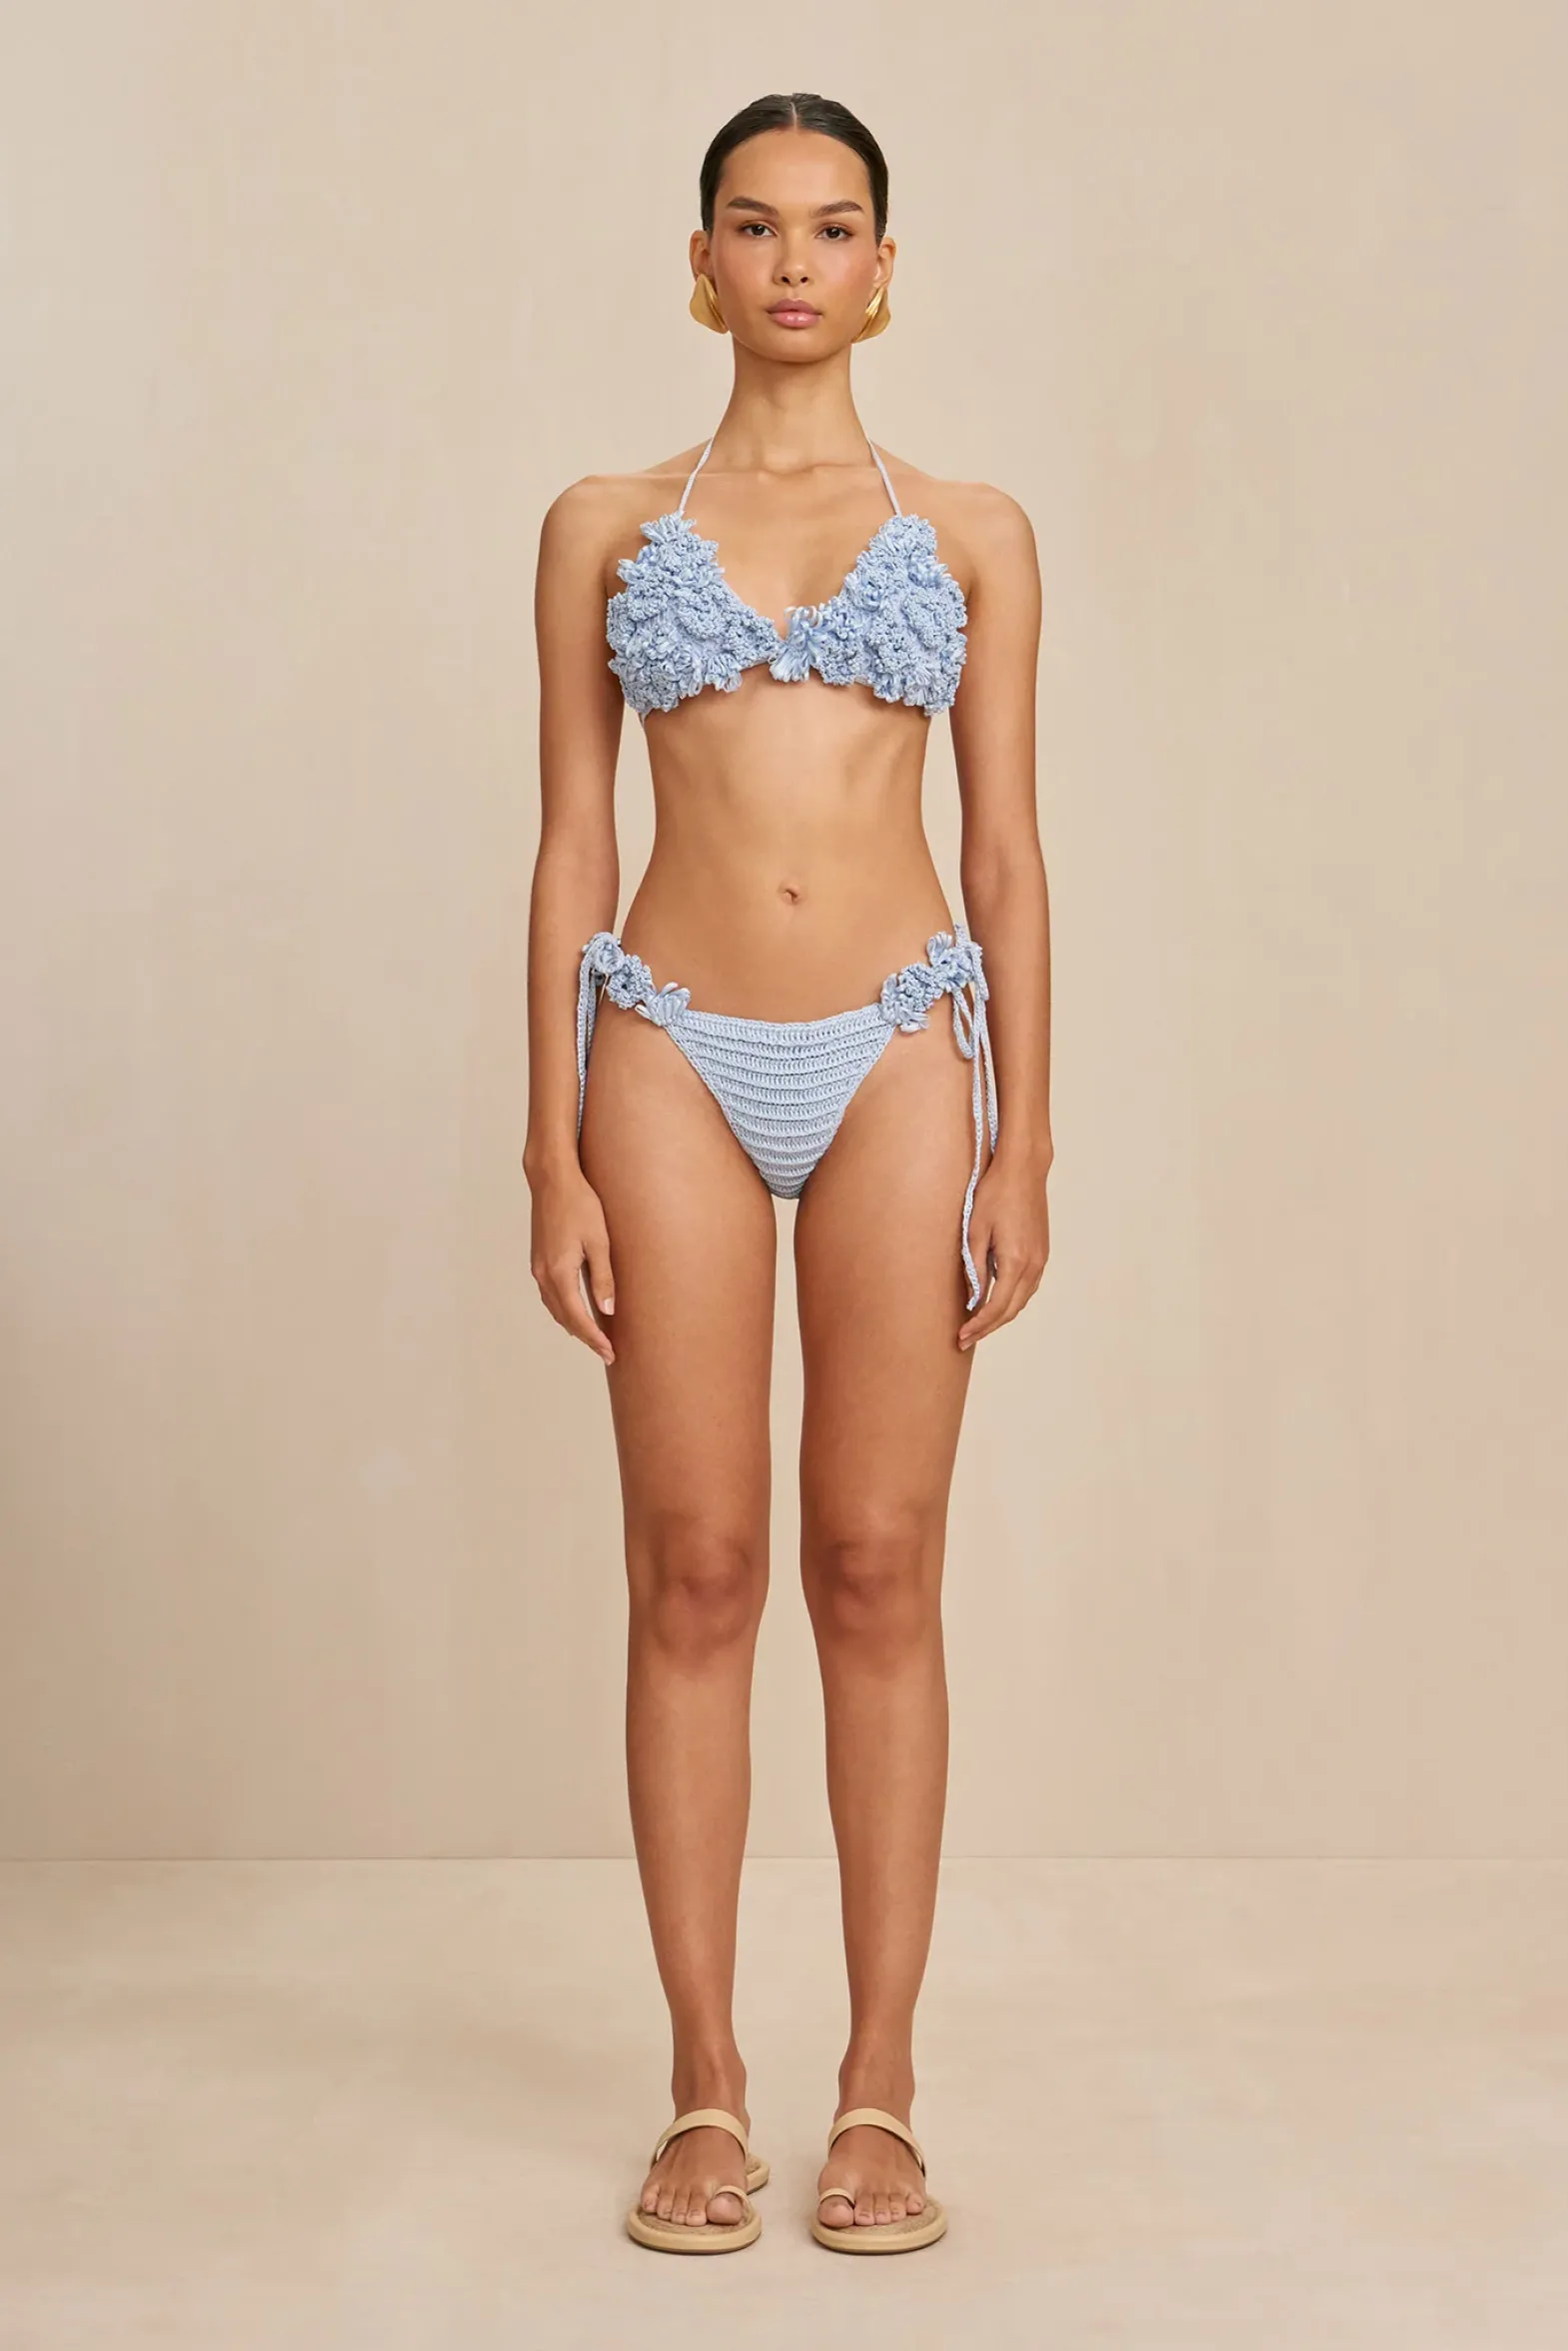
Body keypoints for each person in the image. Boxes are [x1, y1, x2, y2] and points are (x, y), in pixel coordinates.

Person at [522, 90, 1053, 2255]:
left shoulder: (977, 530)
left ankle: (881, 2089)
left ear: (886, 271)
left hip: (900, 1045)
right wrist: (546, 1145)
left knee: (874, 1562)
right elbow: (572, 842)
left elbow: (1006, 851)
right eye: (756, 226)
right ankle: (706, 2087)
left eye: (835, 229)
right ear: (701, 265)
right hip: (664, 1042)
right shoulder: (596, 523)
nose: (796, 263)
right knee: (696, 1567)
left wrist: (1029, 1134)